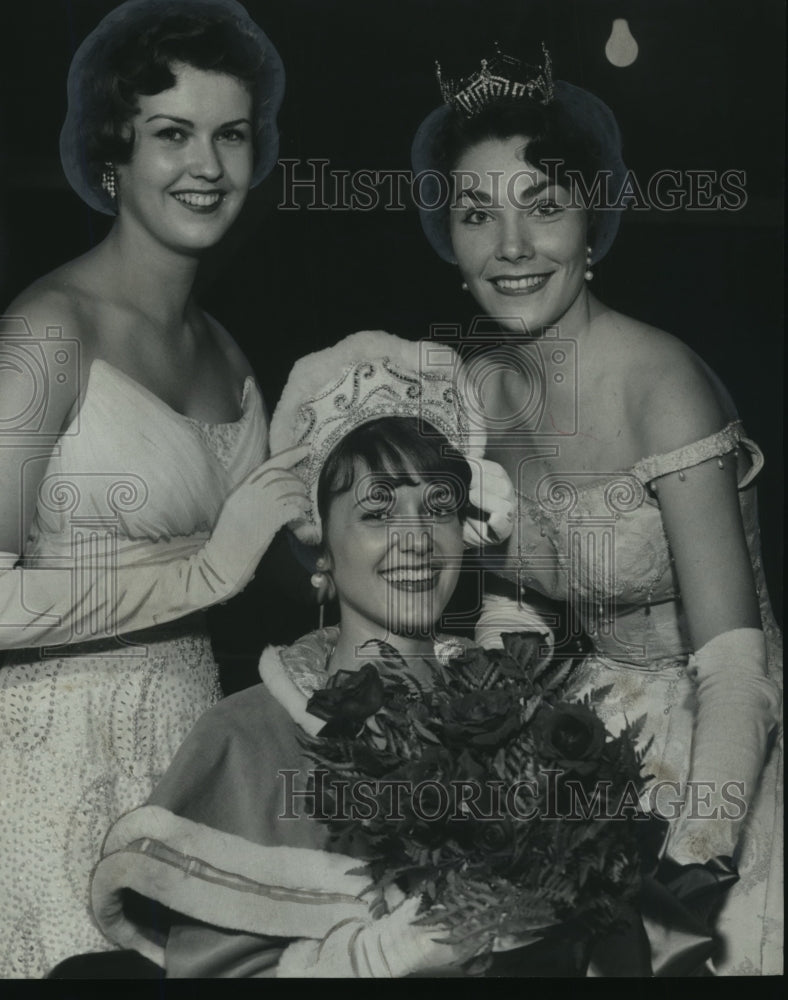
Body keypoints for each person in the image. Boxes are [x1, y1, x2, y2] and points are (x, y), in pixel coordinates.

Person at [410, 46, 782, 974]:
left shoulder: (663, 386)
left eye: (545, 207)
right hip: (585, 732)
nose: (513, 247)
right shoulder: (477, 393)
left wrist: (699, 850)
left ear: (593, 226)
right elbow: (522, 598)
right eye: (477, 216)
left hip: (719, 740)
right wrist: (478, 722)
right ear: (447, 241)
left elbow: (737, 661)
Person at [0, 0, 309, 977]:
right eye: (171, 134)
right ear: (111, 154)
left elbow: (275, 581)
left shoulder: (228, 354)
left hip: (192, 755)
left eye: (230, 135)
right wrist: (206, 572)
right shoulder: (49, 332)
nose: (207, 166)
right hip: (48, 758)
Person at [88, 330, 510, 977]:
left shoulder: (521, 720)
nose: (417, 539)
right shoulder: (243, 742)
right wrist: (373, 960)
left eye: (438, 508)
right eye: (376, 512)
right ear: (320, 552)